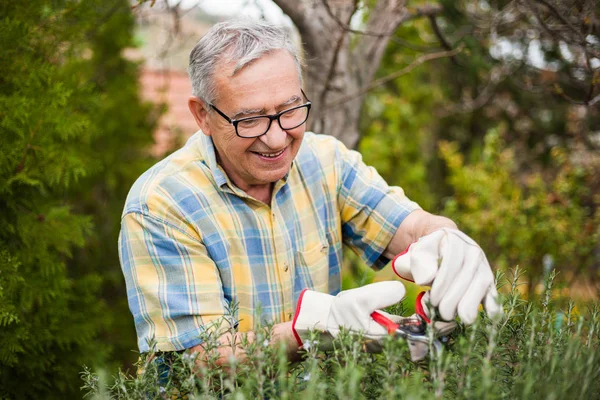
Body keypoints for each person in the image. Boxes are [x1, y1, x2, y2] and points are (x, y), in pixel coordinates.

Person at [118, 19, 501, 366]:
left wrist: (445, 239)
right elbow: (200, 358)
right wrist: (312, 329)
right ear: (202, 115)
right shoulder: (161, 204)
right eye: (250, 120)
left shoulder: (326, 161)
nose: (275, 137)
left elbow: (410, 227)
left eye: (290, 110)